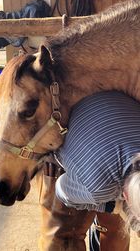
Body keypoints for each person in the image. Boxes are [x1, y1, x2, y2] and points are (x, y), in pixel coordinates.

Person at [55, 91, 140, 233]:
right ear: (125, 196)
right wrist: (112, 206)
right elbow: (60, 189)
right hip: (63, 116)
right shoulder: (100, 189)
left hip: (97, 93)